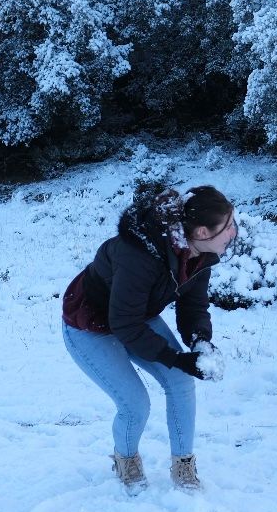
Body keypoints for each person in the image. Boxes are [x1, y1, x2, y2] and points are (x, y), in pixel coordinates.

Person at [61, 183, 238, 492]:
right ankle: (126, 460)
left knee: (181, 382)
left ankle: (183, 465)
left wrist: (200, 341)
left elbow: (192, 305)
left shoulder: (199, 254)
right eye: (228, 226)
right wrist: (176, 358)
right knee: (135, 404)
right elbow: (125, 324)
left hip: (135, 316)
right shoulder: (140, 255)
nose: (234, 232)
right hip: (89, 326)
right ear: (202, 232)